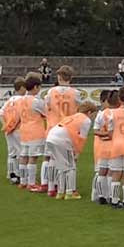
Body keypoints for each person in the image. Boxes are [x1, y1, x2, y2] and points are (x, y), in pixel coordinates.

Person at [43, 100, 97, 200]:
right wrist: (77, 154)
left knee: (61, 166)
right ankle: (70, 192)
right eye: (93, 114)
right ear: (89, 112)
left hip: (51, 137)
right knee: (71, 167)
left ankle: (60, 192)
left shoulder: (73, 116)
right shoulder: (86, 120)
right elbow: (82, 138)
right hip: (62, 140)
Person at [42, 66, 83, 195]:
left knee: (51, 158)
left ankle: (50, 187)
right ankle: (66, 188)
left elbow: (46, 106)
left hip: (53, 127)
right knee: (68, 159)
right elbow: (79, 108)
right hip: (69, 128)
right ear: (70, 78)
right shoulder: (75, 93)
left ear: (59, 77)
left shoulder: (51, 91)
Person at [18, 74, 48, 191]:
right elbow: (45, 113)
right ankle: (31, 182)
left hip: (24, 130)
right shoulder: (36, 101)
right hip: (35, 131)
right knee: (33, 157)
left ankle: (23, 181)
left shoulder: (21, 100)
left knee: (23, 156)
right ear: (36, 87)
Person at [0, 77, 27, 184]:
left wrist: (6, 125)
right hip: (18, 129)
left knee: (11, 153)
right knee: (20, 152)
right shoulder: (22, 100)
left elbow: (0, 114)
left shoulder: (10, 100)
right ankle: (19, 175)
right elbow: (21, 115)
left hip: (9, 129)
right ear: (22, 88)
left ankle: (11, 174)